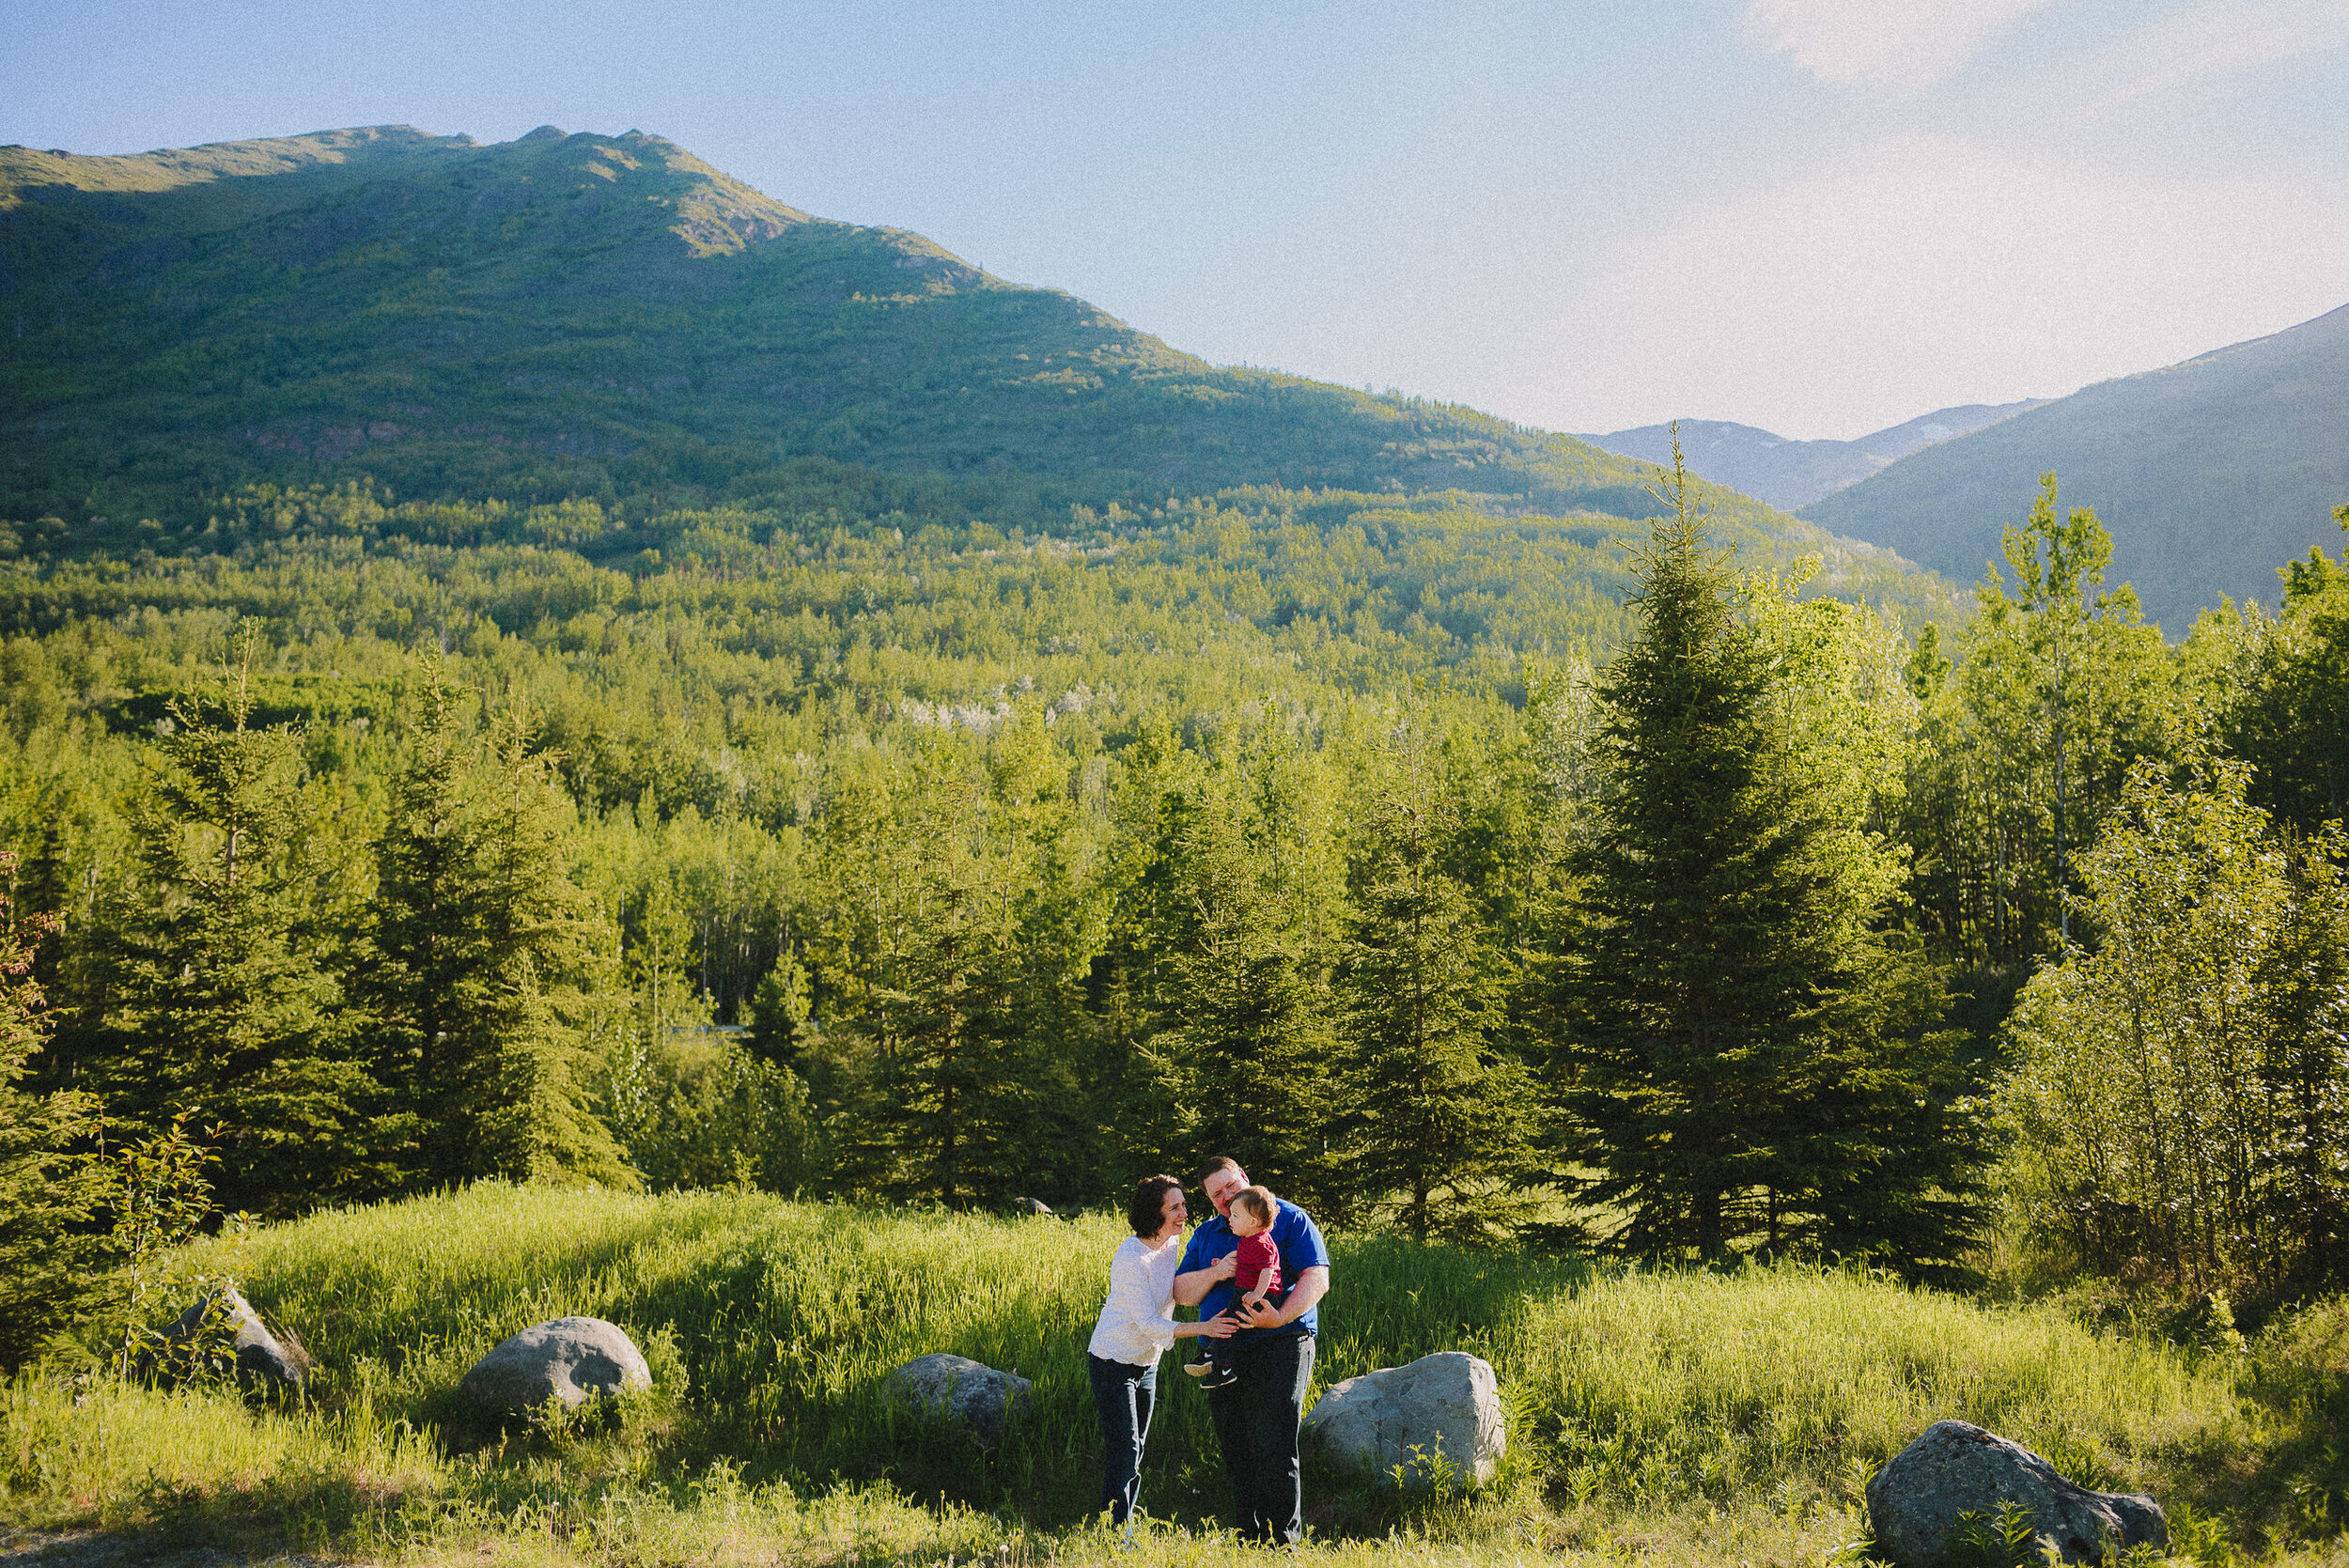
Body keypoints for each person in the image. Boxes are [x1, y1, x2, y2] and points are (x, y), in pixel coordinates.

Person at [1173, 1156, 1332, 1545]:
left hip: (1281, 1342)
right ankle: (1248, 1535)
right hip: (1222, 1349)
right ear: (1211, 1201)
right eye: (1217, 1194)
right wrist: (1217, 1271)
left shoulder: (1288, 1218)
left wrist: (1278, 1318)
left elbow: (1317, 1277)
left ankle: (1283, 1543)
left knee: (1273, 1441)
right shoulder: (1207, 1234)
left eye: (1230, 1186)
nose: (1226, 1197)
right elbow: (1182, 1293)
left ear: (1244, 1176)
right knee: (1235, 1443)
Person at [1087, 1173, 1237, 1526]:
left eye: (1184, 1204)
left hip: (1147, 1363)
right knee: (1125, 1452)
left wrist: (1214, 1273)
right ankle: (1114, 1533)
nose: (1185, 1212)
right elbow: (1150, 1324)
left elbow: (1180, 1290)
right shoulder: (1131, 1257)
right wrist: (1206, 1328)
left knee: (1136, 1451)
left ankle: (1119, 1527)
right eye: (1175, 1207)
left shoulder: (1170, 1246)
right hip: (1112, 1361)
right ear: (1154, 1213)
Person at [1184, 1183, 1282, 1389]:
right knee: (1228, 1318)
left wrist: (1257, 1293)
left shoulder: (1263, 1243)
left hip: (1261, 1295)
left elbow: (1268, 1270)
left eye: (1236, 1216)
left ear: (1253, 1221)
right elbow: (1243, 1262)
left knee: (1232, 1325)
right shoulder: (1247, 1240)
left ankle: (1220, 1365)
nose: (1230, 1219)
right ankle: (1213, 1356)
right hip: (1244, 1291)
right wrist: (1219, 1265)